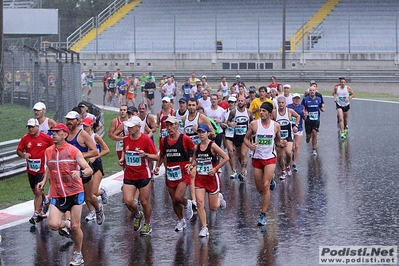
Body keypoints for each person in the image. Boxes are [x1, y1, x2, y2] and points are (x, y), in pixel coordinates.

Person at [37, 123, 92, 266]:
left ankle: (78, 254)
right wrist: (44, 181)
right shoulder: (48, 151)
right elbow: (49, 167)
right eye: (52, 132)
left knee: (76, 227)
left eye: (57, 132)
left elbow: (88, 170)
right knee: (53, 225)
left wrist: (80, 173)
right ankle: (66, 223)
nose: (53, 134)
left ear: (65, 134)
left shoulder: (73, 151)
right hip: (58, 193)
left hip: (74, 192)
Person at [244, 102, 285, 226]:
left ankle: (263, 215)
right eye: (260, 111)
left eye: (264, 111)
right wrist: (250, 145)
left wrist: (281, 144)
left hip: (270, 158)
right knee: (260, 188)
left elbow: (278, 142)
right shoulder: (254, 124)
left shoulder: (276, 126)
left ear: (270, 113)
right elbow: (245, 138)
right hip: (257, 158)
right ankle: (271, 182)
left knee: (266, 185)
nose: (261, 113)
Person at [119, 116, 159, 235]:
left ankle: (147, 224)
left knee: (145, 202)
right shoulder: (126, 139)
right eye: (128, 127)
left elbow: (156, 156)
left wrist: (145, 155)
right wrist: (122, 158)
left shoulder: (146, 140)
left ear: (138, 127)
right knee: (127, 201)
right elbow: (124, 150)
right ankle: (138, 214)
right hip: (129, 175)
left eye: (131, 127)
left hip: (143, 175)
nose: (129, 128)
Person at [154, 116, 195, 231]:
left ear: (177, 126)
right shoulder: (164, 140)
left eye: (172, 125)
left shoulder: (185, 139)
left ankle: (187, 203)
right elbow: (161, 155)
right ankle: (181, 220)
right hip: (171, 173)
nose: (169, 127)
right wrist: (157, 166)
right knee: (174, 200)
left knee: (178, 197)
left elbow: (194, 150)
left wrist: (190, 163)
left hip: (183, 173)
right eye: (167, 125)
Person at [64, 111, 104, 225]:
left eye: (72, 120)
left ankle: (98, 208)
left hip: (84, 169)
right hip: (70, 171)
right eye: (67, 120)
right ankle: (68, 222)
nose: (69, 122)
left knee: (89, 197)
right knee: (68, 196)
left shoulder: (83, 135)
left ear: (78, 121)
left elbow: (95, 151)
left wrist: (79, 156)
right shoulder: (65, 134)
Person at [189, 123, 229, 237]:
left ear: (208, 133)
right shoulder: (196, 147)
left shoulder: (212, 146)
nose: (201, 135)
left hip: (212, 178)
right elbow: (195, 161)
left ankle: (219, 199)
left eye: (203, 132)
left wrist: (216, 168)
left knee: (213, 207)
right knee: (200, 203)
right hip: (200, 178)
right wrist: (191, 166)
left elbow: (226, 157)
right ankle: (204, 227)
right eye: (199, 132)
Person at [17, 118, 54, 224]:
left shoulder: (46, 138)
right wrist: (24, 155)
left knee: (37, 191)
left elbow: (54, 148)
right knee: (36, 191)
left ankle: (36, 213)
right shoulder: (25, 138)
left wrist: (50, 160)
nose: (31, 129)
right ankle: (45, 199)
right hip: (31, 169)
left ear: (38, 127)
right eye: (29, 127)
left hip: (42, 169)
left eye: (33, 127)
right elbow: (18, 150)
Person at [81, 117, 110, 222]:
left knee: (93, 192)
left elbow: (106, 150)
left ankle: (102, 191)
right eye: (83, 125)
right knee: (85, 194)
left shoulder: (95, 137)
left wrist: (95, 157)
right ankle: (92, 211)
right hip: (86, 166)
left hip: (96, 166)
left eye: (86, 126)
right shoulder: (81, 137)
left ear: (91, 125)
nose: (84, 127)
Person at [271, 96, 300, 180]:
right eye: (279, 102)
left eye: (282, 103)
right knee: (280, 156)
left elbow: (298, 116)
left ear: (285, 103)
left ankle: (287, 165)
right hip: (278, 137)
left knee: (288, 153)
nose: (280, 104)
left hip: (288, 136)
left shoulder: (289, 111)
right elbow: (270, 122)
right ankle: (283, 171)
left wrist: (296, 126)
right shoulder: (274, 112)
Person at [227, 95, 252, 181]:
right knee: (239, 155)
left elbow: (252, 122)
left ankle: (242, 172)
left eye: (242, 101)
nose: (240, 102)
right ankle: (243, 166)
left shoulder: (249, 112)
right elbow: (228, 121)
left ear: (245, 102)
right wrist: (231, 124)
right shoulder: (233, 112)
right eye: (239, 101)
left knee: (243, 154)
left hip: (245, 136)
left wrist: (251, 131)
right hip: (236, 136)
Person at [302, 85, 325, 156]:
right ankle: (308, 138)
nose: (312, 92)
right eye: (311, 90)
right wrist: (304, 112)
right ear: (309, 92)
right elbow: (302, 107)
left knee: (314, 132)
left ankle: (314, 149)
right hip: (308, 120)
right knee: (309, 135)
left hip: (316, 119)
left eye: (313, 90)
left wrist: (322, 109)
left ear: (315, 91)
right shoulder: (305, 99)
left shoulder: (318, 99)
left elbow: (321, 106)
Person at [287, 93, 305, 172]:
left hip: (299, 128)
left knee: (297, 146)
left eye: (298, 99)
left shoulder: (302, 107)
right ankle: (290, 157)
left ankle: (294, 164)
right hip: (290, 129)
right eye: (295, 98)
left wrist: (305, 115)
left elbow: (304, 117)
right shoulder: (288, 107)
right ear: (292, 99)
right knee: (291, 148)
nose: (296, 100)